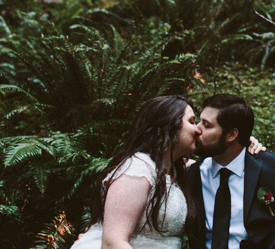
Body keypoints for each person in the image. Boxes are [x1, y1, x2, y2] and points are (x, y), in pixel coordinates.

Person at [187, 94, 275, 249]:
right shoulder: (192, 173)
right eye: (199, 121)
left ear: (231, 135)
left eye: (206, 125)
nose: (197, 129)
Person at [71, 95, 200, 248]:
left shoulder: (172, 170)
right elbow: (113, 243)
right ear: (170, 125)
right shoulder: (137, 169)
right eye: (192, 122)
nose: (198, 129)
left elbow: (207, 165)